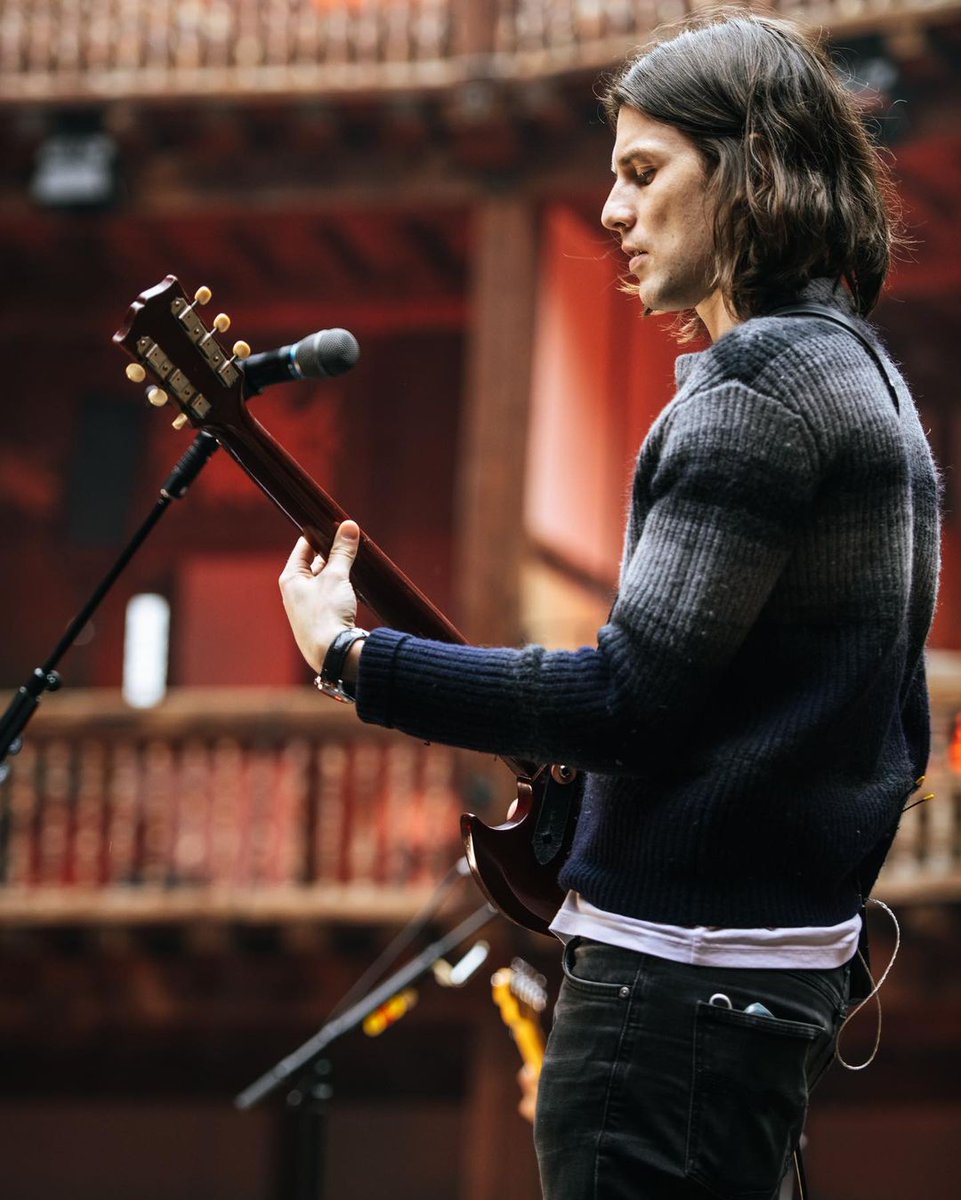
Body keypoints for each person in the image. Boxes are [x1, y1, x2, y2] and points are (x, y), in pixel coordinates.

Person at [279, 12, 940, 1199]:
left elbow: (626, 699)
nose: (610, 210)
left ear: (746, 172)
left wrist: (353, 660)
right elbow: (889, 726)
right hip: (770, 986)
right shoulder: (863, 376)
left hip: (669, 993)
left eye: (643, 171)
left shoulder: (754, 390)